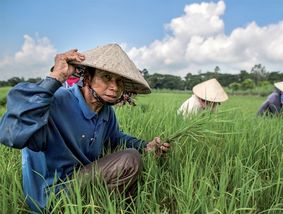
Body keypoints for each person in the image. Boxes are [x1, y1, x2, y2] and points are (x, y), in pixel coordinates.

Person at [0, 43, 170, 212]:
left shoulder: (105, 112)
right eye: (106, 77)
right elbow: (13, 135)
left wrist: (145, 145)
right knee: (130, 159)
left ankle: (111, 208)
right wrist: (55, 78)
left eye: (119, 81)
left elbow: (115, 139)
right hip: (52, 196)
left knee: (132, 157)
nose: (115, 87)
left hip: (81, 184)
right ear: (87, 77)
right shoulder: (55, 101)